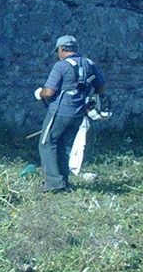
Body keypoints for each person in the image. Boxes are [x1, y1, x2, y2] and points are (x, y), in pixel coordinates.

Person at [34, 35, 105, 192]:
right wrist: (89, 97)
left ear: (62, 49)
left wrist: (40, 94)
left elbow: (49, 91)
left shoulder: (61, 66)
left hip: (59, 112)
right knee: (63, 145)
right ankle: (63, 181)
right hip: (78, 113)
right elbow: (101, 86)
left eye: (58, 50)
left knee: (47, 144)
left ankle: (54, 183)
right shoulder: (90, 64)